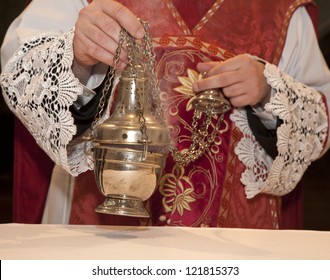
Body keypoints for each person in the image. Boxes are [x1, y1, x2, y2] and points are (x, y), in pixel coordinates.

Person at [1, 0, 330, 228]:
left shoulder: (284, 11)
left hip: (230, 243)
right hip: (101, 232)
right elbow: (19, 75)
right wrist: (75, 54)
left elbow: (319, 120)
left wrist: (269, 91)